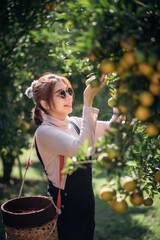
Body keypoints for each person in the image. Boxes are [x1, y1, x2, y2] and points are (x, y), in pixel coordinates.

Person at [25, 72, 119, 240]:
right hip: (66, 210)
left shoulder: (75, 123)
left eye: (69, 91)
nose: (68, 96)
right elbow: (83, 150)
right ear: (44, 103)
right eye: (61, 93)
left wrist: (118, 98)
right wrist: (88, 101)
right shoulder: (45, 132)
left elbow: (114, 129)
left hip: (86, 204)